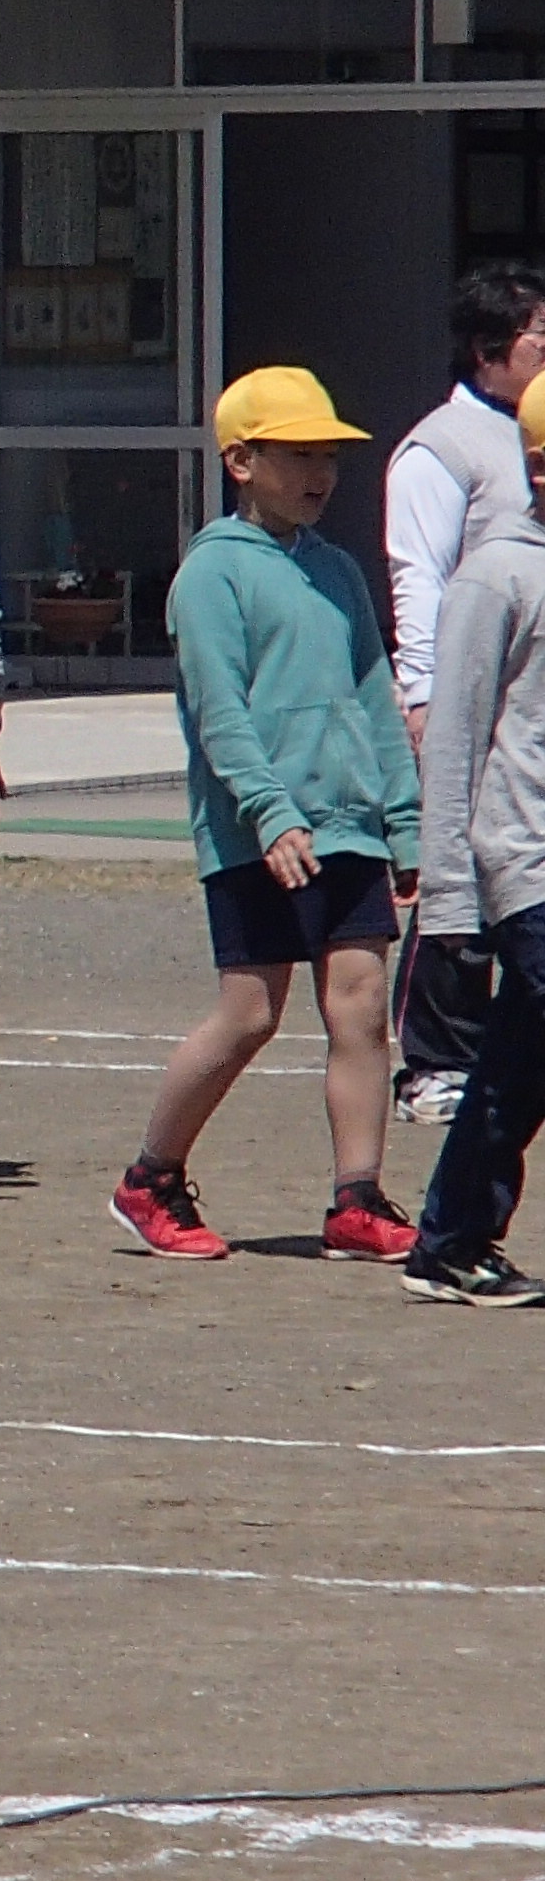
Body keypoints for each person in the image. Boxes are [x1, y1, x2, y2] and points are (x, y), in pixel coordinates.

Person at [110, 368, 420, 1265]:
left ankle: (356, 1199)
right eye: (298, 454)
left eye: (328, 455)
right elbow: (221, 714)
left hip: (351, 822)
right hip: (259, 834)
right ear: (241, 461)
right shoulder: (213, 572)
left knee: (361, 1010)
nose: (320, 472)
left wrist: (404, 824)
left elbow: (374, 694)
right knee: (249, 1014)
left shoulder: (337, 572)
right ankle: (150, 1178)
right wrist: (270, 813)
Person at [385, 264, 545, 1129]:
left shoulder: (532, 431)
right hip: (467, 687)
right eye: (539, 342)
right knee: (457, 865)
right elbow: (420, 573)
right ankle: (433, 1057)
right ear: (489, 352)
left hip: (529, 690)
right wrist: (423, 694)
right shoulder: (442, 445)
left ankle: (488, 1044)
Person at [401, 383, 545, 1304]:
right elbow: (454, 737)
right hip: (527, 860)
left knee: (519, 1064)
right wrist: (452, 892)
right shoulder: (498, 575)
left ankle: (452, 1239)